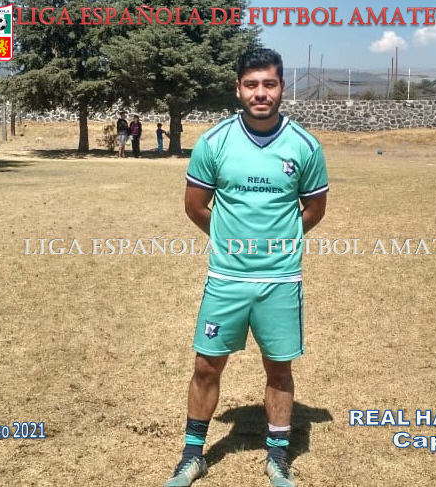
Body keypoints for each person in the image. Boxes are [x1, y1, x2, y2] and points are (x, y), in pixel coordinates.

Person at [164, 48, 329, 487]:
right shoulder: (214, 142)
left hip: (280, 280)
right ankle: (192, 456)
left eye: (269, 84)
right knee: (206, 366)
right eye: (252, 84)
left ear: (282, 88)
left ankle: (277, 458)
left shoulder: (305, 146)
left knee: (279, 369)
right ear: (238, 89)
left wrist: (279, 242)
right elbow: (196, 206)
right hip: (227, 279)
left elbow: (314, 209)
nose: (261, 93)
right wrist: (230, 242)